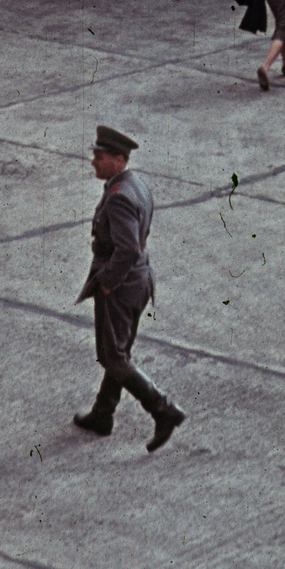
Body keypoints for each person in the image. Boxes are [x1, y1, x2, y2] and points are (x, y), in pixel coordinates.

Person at [73, 125, 185, 451]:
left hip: (121, 287)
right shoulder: (133, 184)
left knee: (112, 356)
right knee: (118, 352)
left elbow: (127, 249)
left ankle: (162, 409)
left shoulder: (119, 197)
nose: (94, 161)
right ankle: (103, 413)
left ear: (119, 160)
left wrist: (107, 283)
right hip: (139, 282)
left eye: (100, 156)